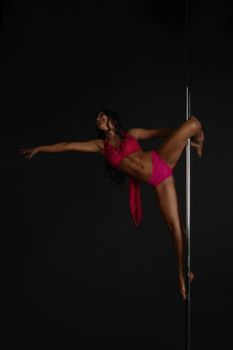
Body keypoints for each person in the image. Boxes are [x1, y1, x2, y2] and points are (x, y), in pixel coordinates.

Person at [19, 108, 205, 301]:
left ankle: (198, 139)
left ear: (111, 118)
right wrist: (40, 148)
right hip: (158, 180)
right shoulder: (101, 146)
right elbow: (68, 145)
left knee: (194, 123)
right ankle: (183, 275)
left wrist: (185, 138)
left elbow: (160, 132)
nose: (97, 118)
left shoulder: (132, 134)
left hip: (160, 159)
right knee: (174, 227)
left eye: (101, 114)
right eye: (96, 117)